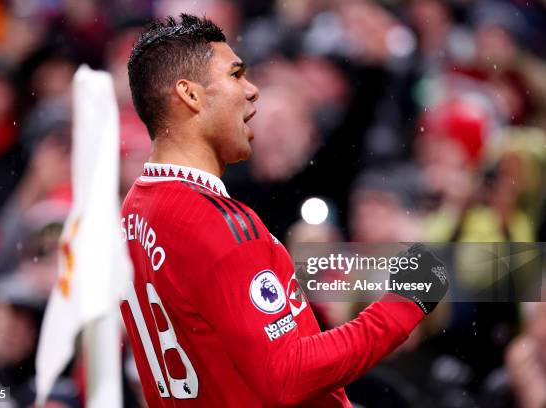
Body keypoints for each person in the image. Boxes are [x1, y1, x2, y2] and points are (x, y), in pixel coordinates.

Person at [120, 14, 448, 407]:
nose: (253, 90)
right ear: (190, 95)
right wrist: (403, 304)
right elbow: (288, 375)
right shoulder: (218, 224)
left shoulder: (134, 210)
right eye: (237, 75)